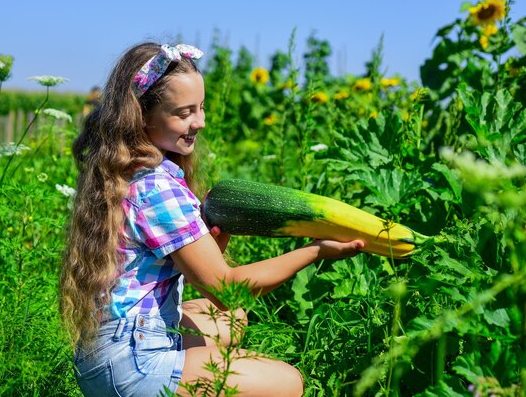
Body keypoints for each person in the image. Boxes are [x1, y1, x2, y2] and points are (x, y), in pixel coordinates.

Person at [59, 42, 365, 397]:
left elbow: (209, 294)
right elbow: (226, 289)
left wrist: (213, 244)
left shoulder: (125, 171)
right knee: (288, 382)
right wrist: (314, 251)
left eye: (201, 108)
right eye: (184, 112)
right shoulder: (158, 188)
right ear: (142, 116)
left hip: (103, 354)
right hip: (133, 366)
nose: (199, 122)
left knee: (230, 323)